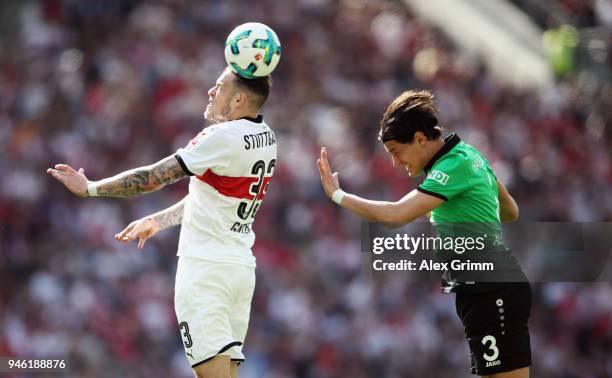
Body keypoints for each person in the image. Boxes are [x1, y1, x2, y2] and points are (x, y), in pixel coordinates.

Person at [47, 67, 277, 378]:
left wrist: (91, 188)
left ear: (238, 99)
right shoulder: (266, 137)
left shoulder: (221, 137)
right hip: (238, 268)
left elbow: (153, 178)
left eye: (219, 86)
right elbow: (211, 199)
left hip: (204, 272)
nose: (211, 91)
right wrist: (159, 219)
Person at [317, 90, 531, 378]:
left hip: (491, 287)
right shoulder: (468, 154)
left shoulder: (452, 166)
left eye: (395, 151)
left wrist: (338, 195)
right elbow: (510, 210)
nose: (395, 162)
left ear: (419, 138)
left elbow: (395, 215)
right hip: (481, 289)